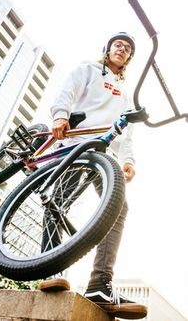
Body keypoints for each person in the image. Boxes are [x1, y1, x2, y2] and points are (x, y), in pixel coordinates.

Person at [38, 32, 147, 320]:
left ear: (128, 59)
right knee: (57, 201)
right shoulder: (88, 69)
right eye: (118, 45)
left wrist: (129, 161)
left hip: (102, 152)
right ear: (108, 49)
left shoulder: (124, 95)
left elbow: (127, 134)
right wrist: (60, 114)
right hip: (74, 142)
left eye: (127, 49)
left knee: (118, 207)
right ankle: (50, 268)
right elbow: (68, 91)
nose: (122, 50)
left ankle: (100, 283)